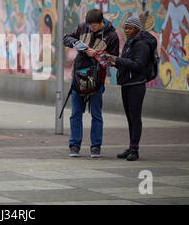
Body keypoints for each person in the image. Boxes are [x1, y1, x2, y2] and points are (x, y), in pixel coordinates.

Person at [63, 9, 119, 158]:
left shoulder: (112, 36)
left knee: (96, 114)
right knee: (75, 113)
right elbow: (66, 38)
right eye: (90, 26)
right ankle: (74, 146)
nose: (92, 28)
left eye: (94, 26)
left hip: (97, 79)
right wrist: (79, 45)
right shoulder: (82, 28)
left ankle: (95, 147)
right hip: (78, 77)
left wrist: (97, 54)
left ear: (102, 22)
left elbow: (114, 59)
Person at [113, 16, 157, 161]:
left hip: (136, 85)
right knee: (129, 117)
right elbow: (127, 62)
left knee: (135, 117)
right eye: (125, 28)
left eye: (130, 28)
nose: (126, 30)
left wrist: (118, 60)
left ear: (137, 29)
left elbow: (138, 65)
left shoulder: (141, 45)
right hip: (126, 84)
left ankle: (135, 149)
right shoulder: (130, 43)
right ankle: (131, 146)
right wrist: (113, 62)